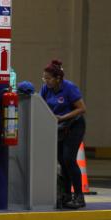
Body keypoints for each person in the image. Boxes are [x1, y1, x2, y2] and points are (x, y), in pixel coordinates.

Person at [40, 59, 86, 209]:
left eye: (48, 78)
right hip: (58, 127)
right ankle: (66, 195)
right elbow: (41, 104)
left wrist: (62, 118)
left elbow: (81, 108)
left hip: (74, 126)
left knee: (68, 159)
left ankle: (79, 196)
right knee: (62, 161)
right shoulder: (46, 89)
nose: (45, 81)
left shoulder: (69, 88)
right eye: (44, 78)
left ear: (58, 78)